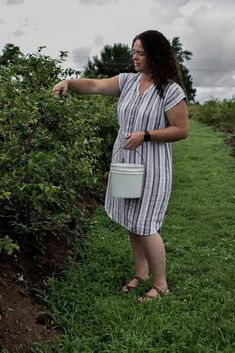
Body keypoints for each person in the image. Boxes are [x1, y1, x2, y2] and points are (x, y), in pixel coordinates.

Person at [52, 30, 188, 301]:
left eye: (140, 53)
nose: (134, 57)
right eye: (133, 51)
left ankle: (161, 285)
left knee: (146, 224)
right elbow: (94, 86)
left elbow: (181, 130)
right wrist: (69, 81)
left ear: (155, 55)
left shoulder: (170, 90)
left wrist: (146, 135)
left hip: (152, 167)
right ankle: (141, 272)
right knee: (131, 221)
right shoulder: (127, 81)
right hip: (125, 162)